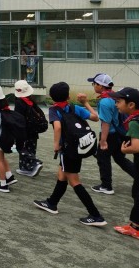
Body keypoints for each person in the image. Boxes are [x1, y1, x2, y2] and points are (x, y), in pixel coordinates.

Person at [33, 82, 107, 226]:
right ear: (68, 96)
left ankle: (95, 215)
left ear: (52, 97)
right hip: (78, 147)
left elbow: (57, 127)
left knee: (74, 181)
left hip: (68, 150)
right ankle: (52, 203)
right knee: (62, 175)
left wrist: (56, 145)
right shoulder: (74, 107)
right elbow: (95, 117)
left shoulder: (54, 110)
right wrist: (85, 103)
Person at [79, 73, 137, 195]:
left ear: (100, 86)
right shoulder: (115, 97)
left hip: (109, 135)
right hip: (121, 133)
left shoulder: (105, 101)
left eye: (94, 83)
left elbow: (106, 123)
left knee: (102, 158)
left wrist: (103, 140)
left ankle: (106, 186)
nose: (93, 86)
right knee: (120, 159)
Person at [110, 88, 139, 239]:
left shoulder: (134, 122)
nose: (116, 104)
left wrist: (124, 150)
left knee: (137, 193)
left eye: (119, 101)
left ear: (131, 104)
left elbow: (136, 147)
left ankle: (135, 227)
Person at [14, 79, 44, 177]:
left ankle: (34, 163)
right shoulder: (31, 101)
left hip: (24, 130)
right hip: (34, 130)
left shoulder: (19, 102)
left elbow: (18, 118)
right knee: (31, 148)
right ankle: (28, 168)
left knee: (21, 148)